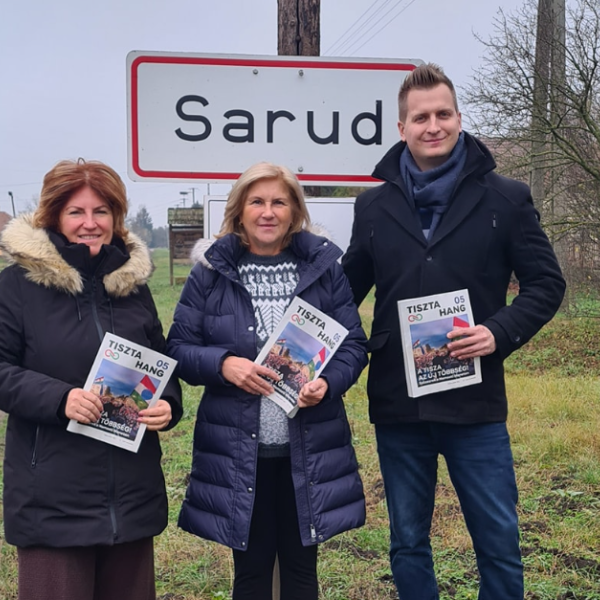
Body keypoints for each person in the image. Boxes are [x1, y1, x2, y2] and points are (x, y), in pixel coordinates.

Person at [342, 64, 566, 600]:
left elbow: (546, 284)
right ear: (402, 128)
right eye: (421, 118)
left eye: (443, 114)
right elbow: (345, 290)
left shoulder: (506, 198)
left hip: (475, 403)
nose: (433, 126)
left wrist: (498, 332)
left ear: (459, 119)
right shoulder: (372, 205)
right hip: (398, 401)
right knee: (407, 542)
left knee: (498, 541)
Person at [167, 162, 368, 600]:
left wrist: (328, 384)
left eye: (279, 202)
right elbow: (178, 348)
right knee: (252, 575)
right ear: (239, 211)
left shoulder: (323, 268)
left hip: (308, 448)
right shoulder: (211, 271)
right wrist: (224, 365)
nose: (268, 212)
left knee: (301, 574)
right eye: (256, 201)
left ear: (294, 210)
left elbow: (353, 345)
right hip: (241, 452)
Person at [0, 159, 182, 600]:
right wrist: (60, 399)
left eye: (101, 211)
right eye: (76, 212)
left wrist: (168, 404)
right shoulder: (17, 286)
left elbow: (161, 363)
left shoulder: (132, 288)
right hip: (52, 502)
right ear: (53, 217)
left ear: (116, 218)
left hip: (132, 497)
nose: (90, 223)